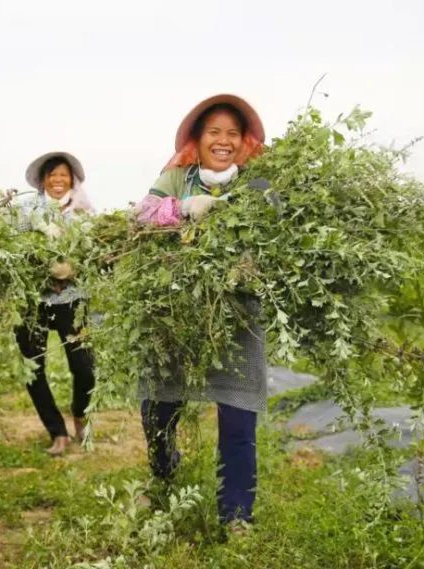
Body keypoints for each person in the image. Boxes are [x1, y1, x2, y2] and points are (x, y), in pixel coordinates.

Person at [133, 94, 269, 528]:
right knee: (157, 406)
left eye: (232, 133)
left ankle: (236, 517)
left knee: (238, 418)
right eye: (214, 132)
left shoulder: (257, 183)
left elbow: (274, 220)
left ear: (243, 140)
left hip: (238, 315)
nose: (223, 141)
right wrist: (184, 209)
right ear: (199, 137)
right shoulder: (177, 176)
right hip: (176, 312)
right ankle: (164, 466)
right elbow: (142, 214)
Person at [15, 151, 97, 456]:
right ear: (42, 180)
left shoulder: (83, 212)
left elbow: (94, 253)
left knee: (85, 367)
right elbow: (14, 247)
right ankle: (57, 432)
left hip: (72, 300)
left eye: (63, 174)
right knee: (33, 368)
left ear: (72, 179)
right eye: (52, 175)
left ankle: (80, 414)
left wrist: (73, 267)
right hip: (31, 300)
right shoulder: (25, 210)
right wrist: (39, 264)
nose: (57, 180)